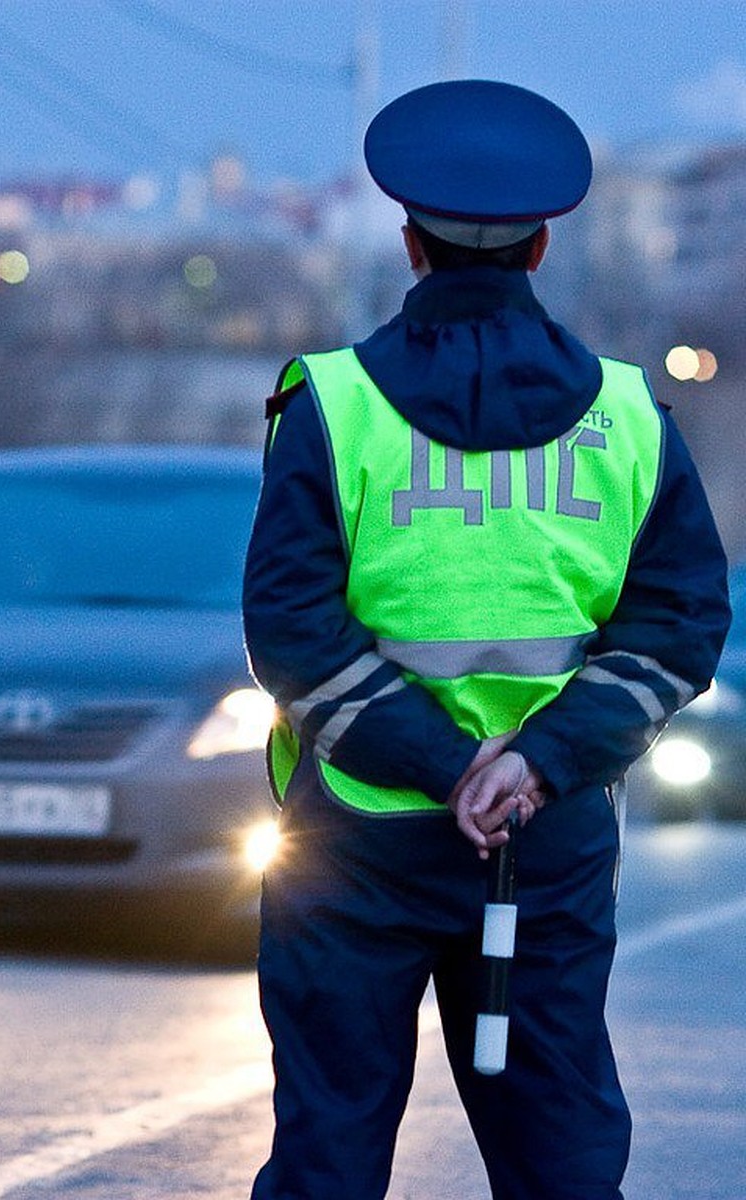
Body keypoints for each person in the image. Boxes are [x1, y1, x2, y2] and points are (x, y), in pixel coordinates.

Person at [242, 79, 731, 1200]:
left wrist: (438, 763)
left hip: (352, 850)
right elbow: (678, 625)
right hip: (543, 847)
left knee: (329, 1153)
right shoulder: (627, 417)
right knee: (558, 1159)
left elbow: (292, 631)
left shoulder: (331, 404)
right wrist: (531, 765)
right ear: (544, 245)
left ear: (408, 241)